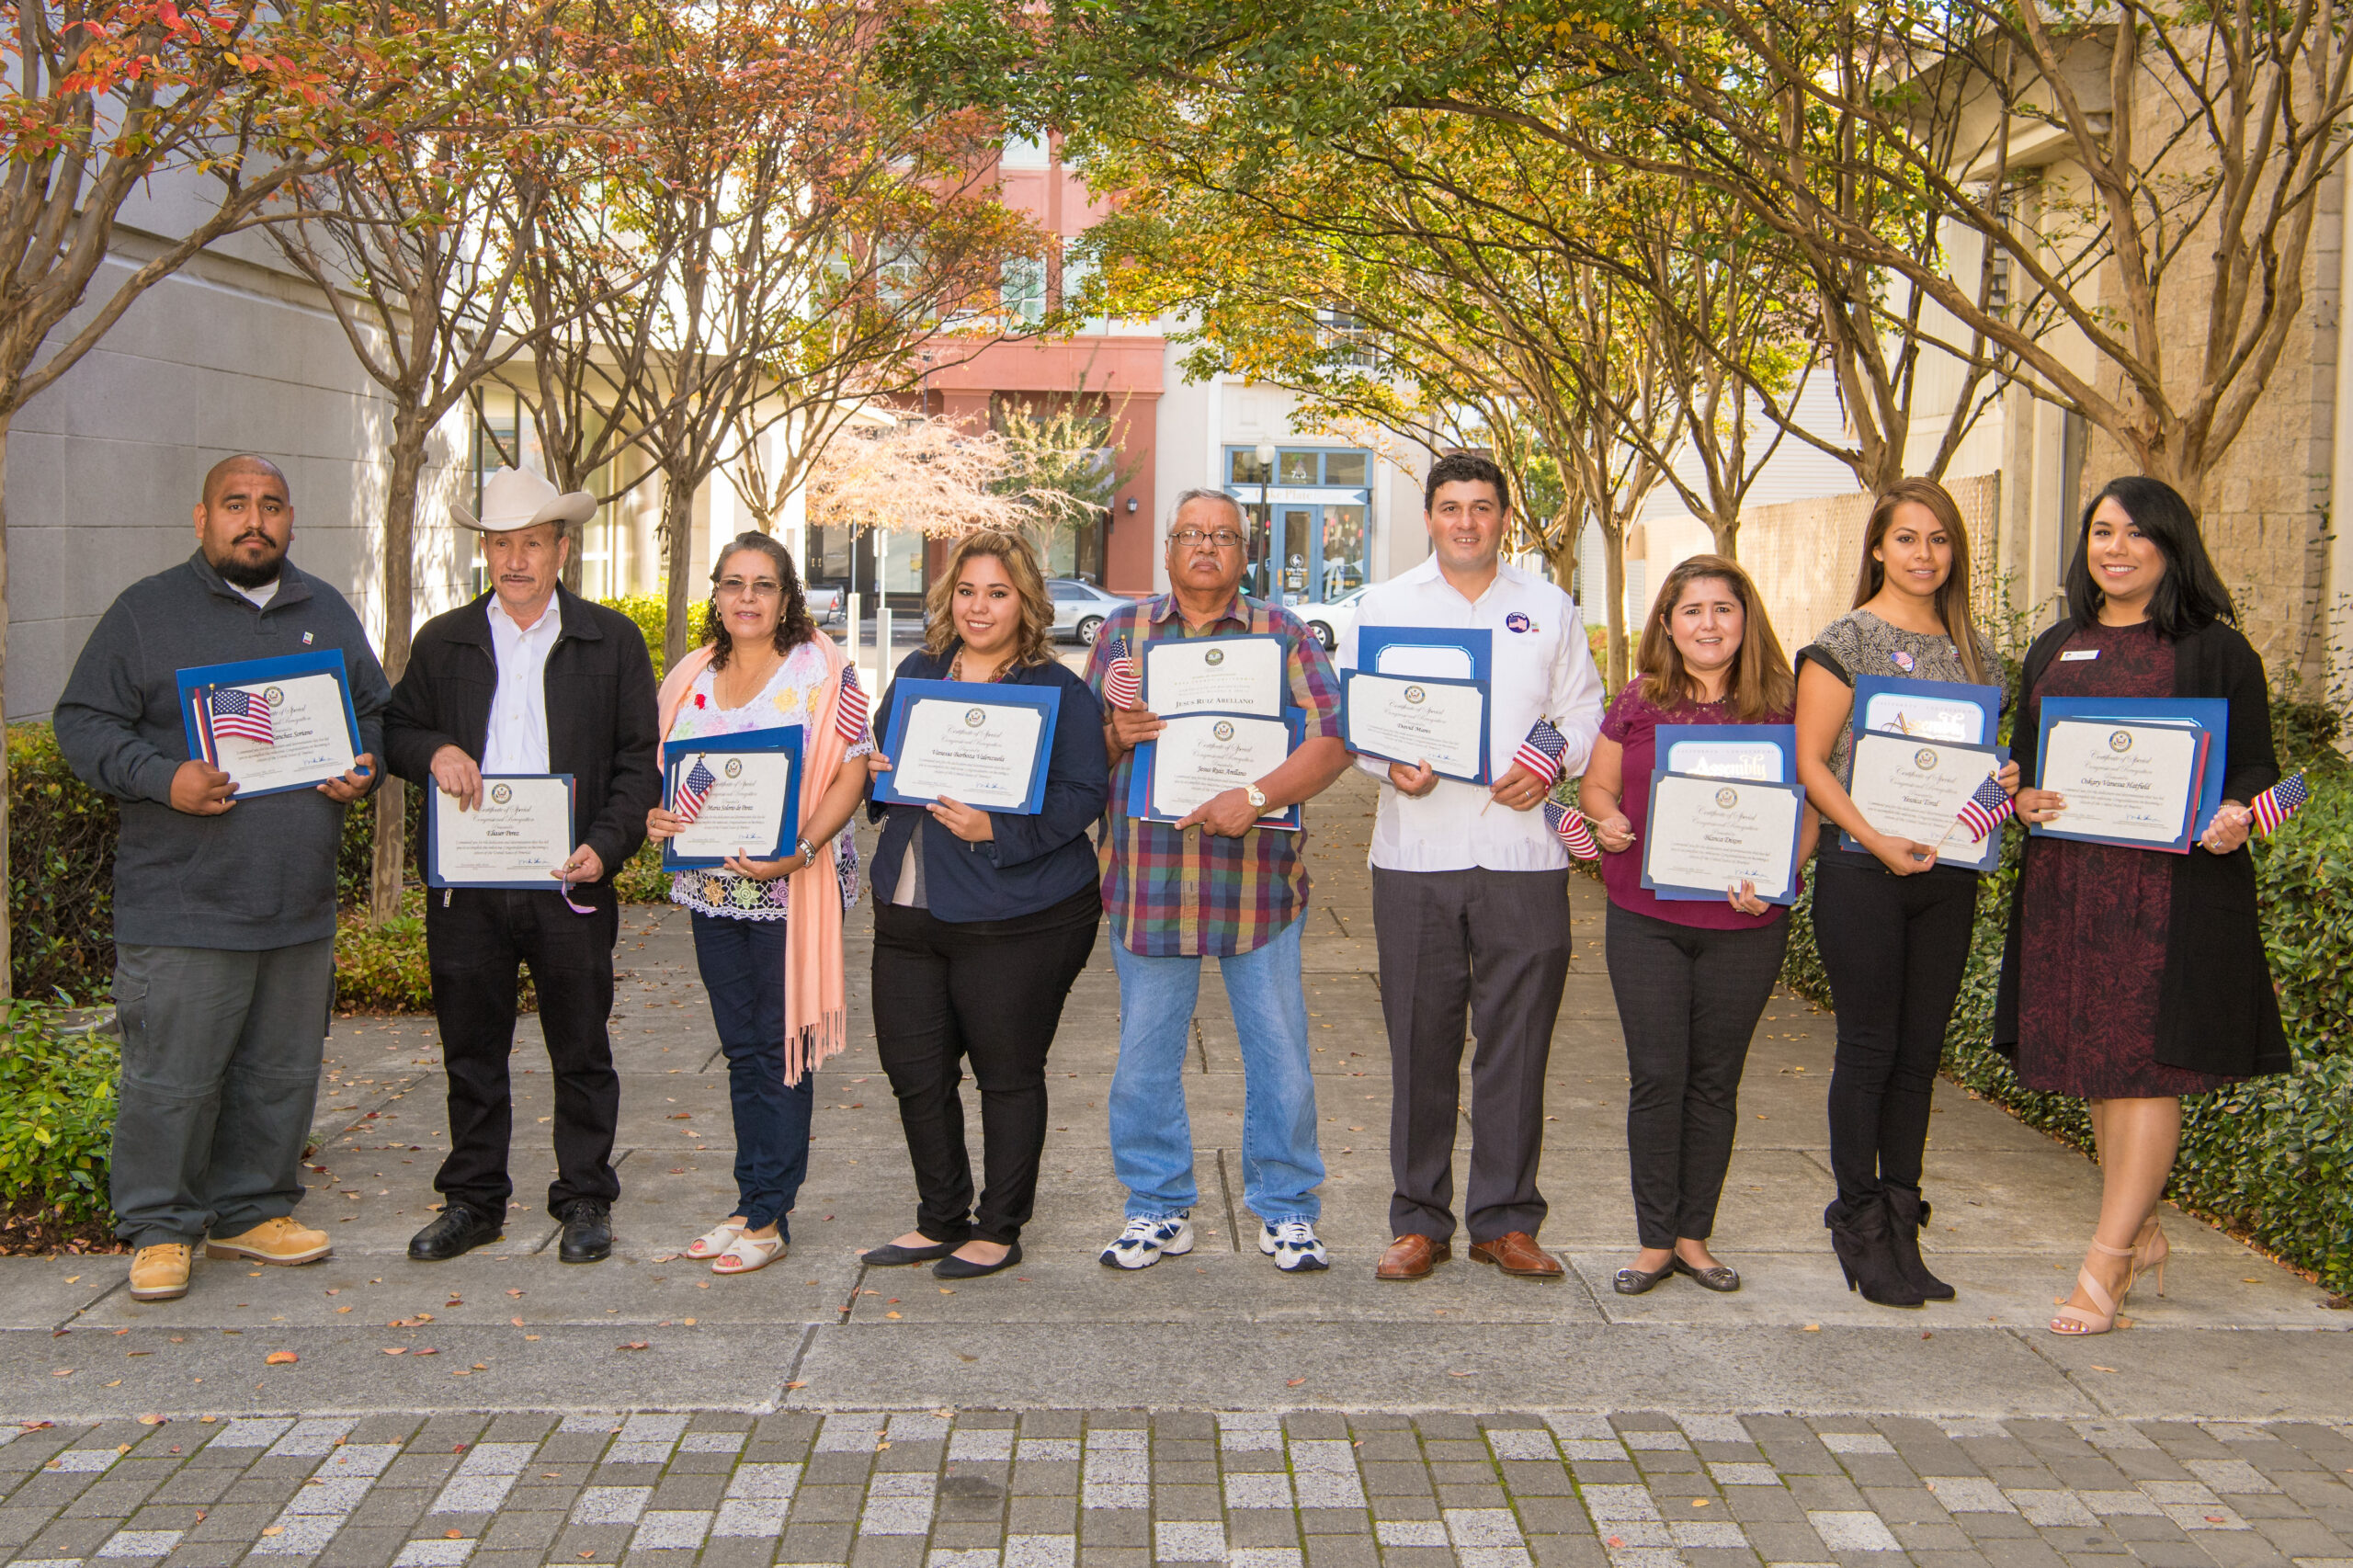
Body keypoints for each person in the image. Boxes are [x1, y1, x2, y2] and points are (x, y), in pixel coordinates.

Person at [56, 455, 387, 1302]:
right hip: (183, 906)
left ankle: (251, 1212)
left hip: (296, 900)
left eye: (271, 506)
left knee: (282, 1073)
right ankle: (160, 1227)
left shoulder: (325, 610)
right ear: (200, 518)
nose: (255, 520)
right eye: (236, 504)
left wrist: (366, 764)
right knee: (173, 1077)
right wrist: (161, 776)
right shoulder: (146, 612)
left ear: (289, 520)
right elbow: (81, 721)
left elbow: (377, 712)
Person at [1999, 477, 2287, 1335]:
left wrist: (2242, 817)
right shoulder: (2057, 643)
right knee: (2100, 1067)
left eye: (2134, 534)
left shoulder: (2214, 649)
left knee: (2148, 1067)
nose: (2114, 549)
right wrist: (2020, 800)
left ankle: (2107, 1261)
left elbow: (2265, 771)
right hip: (2072, 890)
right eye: (2100, 532)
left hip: (2171, 895)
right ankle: (2144, 1228)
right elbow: (2017, 769)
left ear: (2170, 546)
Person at [384, 467, 660, 1266]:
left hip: (568, 882)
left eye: (531, 544)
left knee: (581, 1049)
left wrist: (603, 849)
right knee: (471, 1050)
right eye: (500, 544)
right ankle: (474, 1200)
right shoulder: (445, 640)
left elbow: (638, 763)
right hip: (468, 887)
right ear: (487, 553)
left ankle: (583, 1198)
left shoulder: (610, 640)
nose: (514, 560)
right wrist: (433, 748)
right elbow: (395, 730)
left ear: (561, 551)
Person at [1344, 451, 1606, 1283]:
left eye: (1482, 507)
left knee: (1517, 1042)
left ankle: (1505, 1219)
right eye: (1451, 507)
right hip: (1416, 853)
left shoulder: (1548, 607)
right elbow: (1352, 717)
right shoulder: (1382, 607)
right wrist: (1390, 766)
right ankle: (1419, 1219)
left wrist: (1546, 763)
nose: (1466, 521)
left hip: (1522, 856)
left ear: (1504, 518)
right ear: (1428, 518)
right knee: (1420, 1039)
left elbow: (1582, 709)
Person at [1089, 489, 1351, 1272]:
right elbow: (1076, 755)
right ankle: (1157, 1206)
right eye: (1191, 534)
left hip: (1257, 887)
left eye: (1223, 536)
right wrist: (1114, 732)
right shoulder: (1121, 632)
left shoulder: (1284, 633)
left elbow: (1335, 740)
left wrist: (1259, 796)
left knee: (1282, 1060)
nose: (1206, 547)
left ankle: (1288, 1207)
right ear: (1167, 548)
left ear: (1246, 552)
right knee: (1143, 1059)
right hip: (1148, 882)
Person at [860, 530, 1108, 1280]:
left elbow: (1082, 796)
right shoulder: (919, 670)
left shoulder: (1058, 690)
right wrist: (879, 769)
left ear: (1026, 602)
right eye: (967, 590)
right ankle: (940, 1217)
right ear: (948, 597)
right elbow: (886, 766)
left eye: (998, 592)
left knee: (1006, 1073)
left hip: (1017, 917)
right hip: (908, 909)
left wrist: (996, 827)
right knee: (915, 1074)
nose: (979, 606)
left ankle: (999, 1226)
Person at [1793, 478, 2010, 1307]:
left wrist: (1999, 780)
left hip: (1947, 873)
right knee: (1871, 1047)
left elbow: (1966, 766)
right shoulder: (1843, 642)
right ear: (1878, 547)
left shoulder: (1971, 650)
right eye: (1909, 539)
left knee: (1920, 1056)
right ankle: (1859, 1224)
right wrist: (1876, 839)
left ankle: (1901, 1226)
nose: (1925, 555)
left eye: (1940, 540)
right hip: (1862, 870)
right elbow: (1814, 761)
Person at [1580, 556, 1813, 1296]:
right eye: (1692, 610)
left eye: (1722, 609)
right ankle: (1653, 1241)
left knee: (1715, 1082)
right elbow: (1597, 786)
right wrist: (1608, 819)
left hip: (1744, 924)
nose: (1707, 624)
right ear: (1668, 624)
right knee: (1657, 1077)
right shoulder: (1639, 700)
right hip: (1645, 918)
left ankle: (1694, 1238)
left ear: (1746, 620)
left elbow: (1810, 806)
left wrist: (1778, 877)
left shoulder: (1784, 704)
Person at [642, 533, 872, 1276]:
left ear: (786, 596)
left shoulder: (821, 670)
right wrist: (660, 817)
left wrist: (801, 849)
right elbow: (670, 778)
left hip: (791, 885)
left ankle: (772, 1212)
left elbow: (853, 771)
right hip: (713, 886)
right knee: (741, 1047)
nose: (747, 597)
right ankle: (747, 1200)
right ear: (716, 593)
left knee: (782, 1048)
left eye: (764, 584)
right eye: (734, 583)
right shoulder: (688, 676)